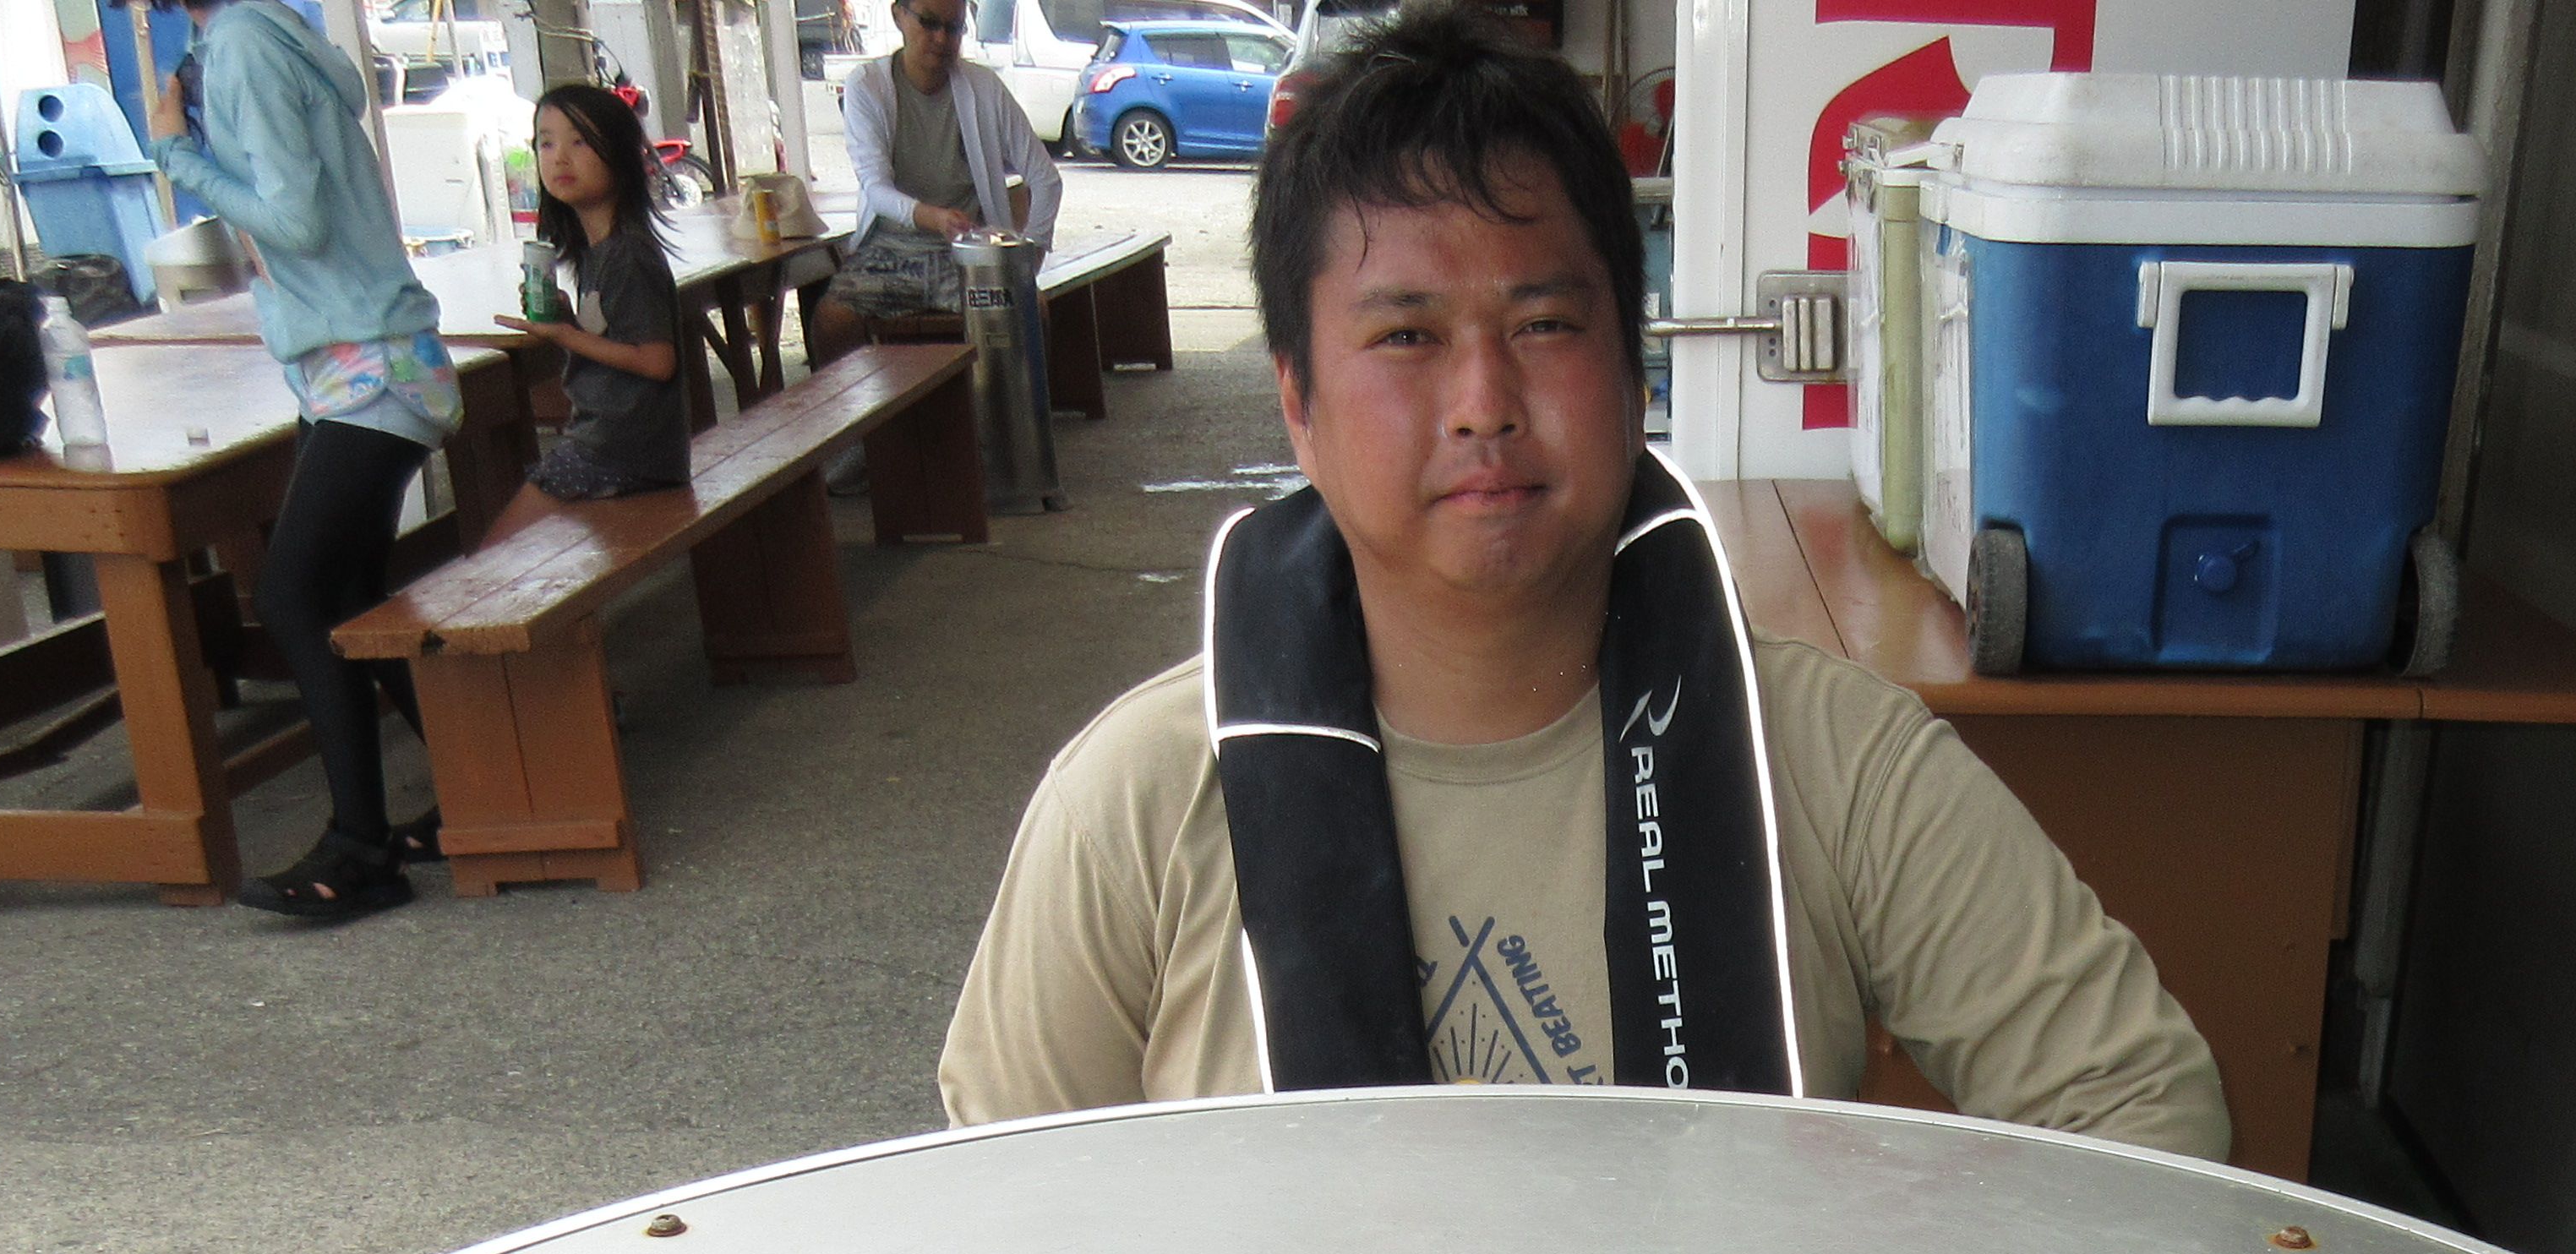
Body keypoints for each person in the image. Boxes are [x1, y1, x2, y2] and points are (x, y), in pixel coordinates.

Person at [936, 3, 2224, 1153]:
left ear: (1629, 373)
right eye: (1407, 336)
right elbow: (1001, 1223)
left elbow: (2143, 1108)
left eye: (1545, 324)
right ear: (1299, 403)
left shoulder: (1834, 761)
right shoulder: (1139, 801)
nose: (1484, 402)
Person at [150, 0, 458, 923]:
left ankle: (361, 849)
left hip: (370, 361)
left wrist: (175, 152)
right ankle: (480, 789)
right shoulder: (260, 32)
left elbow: (294, 220)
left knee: (291, 595)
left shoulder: (244, 45)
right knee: (350, 597)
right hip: (358, 355)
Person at [815, 0, 1061, 363]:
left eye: (954, 27)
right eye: (929, 23)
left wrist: (1032, 252)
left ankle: (1026, 400)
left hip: (970, 254)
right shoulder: (867, 84)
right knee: (832, 321)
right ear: (898, 15)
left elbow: (1046, 178)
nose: (941, 39)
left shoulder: (984, 87)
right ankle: (860, 402)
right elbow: (875, 188)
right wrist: (934, 217)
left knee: (1029, 310)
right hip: (888, 252)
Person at [490, 85, 689, 526]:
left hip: (619, 453)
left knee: (502, 551)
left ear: (620, 155)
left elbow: (657, 361)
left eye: (580, 142)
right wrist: (568, 320)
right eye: (546, 143)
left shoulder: (626, 255)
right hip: (621, 449)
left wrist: (566, 335)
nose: (560, 158)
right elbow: (617, 338)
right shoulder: (598, 250)